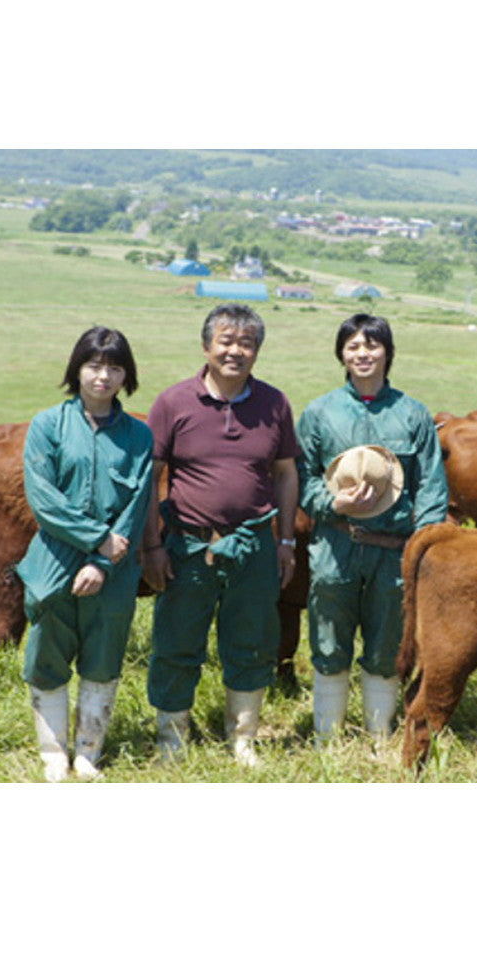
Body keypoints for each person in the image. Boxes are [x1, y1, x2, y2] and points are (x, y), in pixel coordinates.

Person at [142, 304, 298, 767]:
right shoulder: (173, 403)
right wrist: (152, 545)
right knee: (176, 639)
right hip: (189, 544)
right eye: (226, 341)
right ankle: (171, 738)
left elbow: (286, 474)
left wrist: (285, 540)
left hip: (253, 544)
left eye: (246, 343)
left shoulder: (274, 403)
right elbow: (150, 478)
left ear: (257, 352)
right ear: (206, 346)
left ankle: (243, 738)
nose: (235, 351)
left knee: (252, 639)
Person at [295, 313, 448, 743]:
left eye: (372, 345)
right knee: (328, 641)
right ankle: (328, 740)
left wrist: (426, 549)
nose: (363, 354)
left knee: (387, 646)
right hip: (335, 543)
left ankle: (378, 737)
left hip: (394, 548)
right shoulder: (319, 413)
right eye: (353, 346)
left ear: (388, 352)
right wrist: (330, 501)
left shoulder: (413, 414)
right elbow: (301, 477)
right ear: (341, 354)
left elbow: (432, 486)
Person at [17, 326, 153, 782]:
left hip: (113, 568)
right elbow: (43, 497)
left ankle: (89, 751)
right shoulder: (47, 425)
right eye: (94, 365)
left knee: (104, 655)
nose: (103, 376)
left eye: (115, 367)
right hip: (54, 561)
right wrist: (96, 539)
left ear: (126, 375)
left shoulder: (138, 436)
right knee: (47, 655)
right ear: (77, 369)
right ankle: (53, 751)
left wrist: (102, 561)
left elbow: (135, 508)